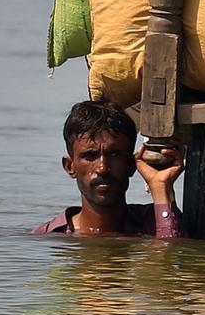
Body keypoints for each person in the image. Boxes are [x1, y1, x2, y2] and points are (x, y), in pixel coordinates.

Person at [34, 99, 186, 238]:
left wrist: (160, 186)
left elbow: (171, 254)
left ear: (131, 165)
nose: (102, 168)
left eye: (114, 154)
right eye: (90, 155)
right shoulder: (50, 236)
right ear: (70, 166)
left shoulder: (155, 222)